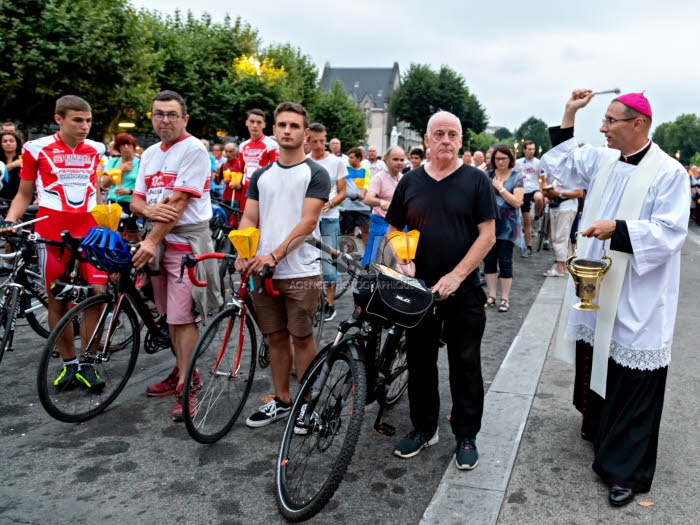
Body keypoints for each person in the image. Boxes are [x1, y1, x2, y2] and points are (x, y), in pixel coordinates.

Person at [541, 89, 689, 506]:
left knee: (634, 374)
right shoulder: (605, 159)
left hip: (640, 292)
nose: (602, 129)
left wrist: (618, 230)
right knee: (599, 356)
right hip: (599, 284)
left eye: (610, 121)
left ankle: (626, 471)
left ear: (637, 124)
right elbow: (566, 161)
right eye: (602, 121)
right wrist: (569, 110)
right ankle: (599, 429)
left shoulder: (669, 173)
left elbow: (670, 232)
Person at [385, 111, 497, 470]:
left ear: (461, 141)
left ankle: (466, 434)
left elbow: (488, 235)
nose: (446, 140)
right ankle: (424, 427)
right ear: (427, 141)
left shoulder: (476, 180)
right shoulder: (410, 181)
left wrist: (457, 276)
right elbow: (392, 228)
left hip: (464, 290)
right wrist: (403, 257)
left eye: (453, 134)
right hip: (419, 290)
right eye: (439, 134)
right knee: (419, 362)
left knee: (465, 364)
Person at [0, 95, 108, 390]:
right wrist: (10, 220)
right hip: (52, 232)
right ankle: (69, 364)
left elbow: (95, 191)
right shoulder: (36, 148)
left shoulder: (97, 149)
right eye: (77, 120)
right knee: (57, 299)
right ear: (59, 119)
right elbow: (23, 194)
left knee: (96, 296)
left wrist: (107, 224)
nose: (85, 126)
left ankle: (88, 363)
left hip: (90, 230)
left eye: (88, 120)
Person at [235, 101, 330, 427]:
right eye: (282, 125)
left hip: (301, 270)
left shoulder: (316, 173)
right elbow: (249, 216)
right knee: (274, 337)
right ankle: (282, 399)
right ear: (274, 130)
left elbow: (307, 222)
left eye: (294, 126)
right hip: (262, 268)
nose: (287, 130)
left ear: (305, 132)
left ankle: (306, 403)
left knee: (302, 337)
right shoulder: (261, 174)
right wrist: (243, 248)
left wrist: (274, 255)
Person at [131, 90, 222, 422]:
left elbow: (179, 205)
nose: (164, 120)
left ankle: (187, 384)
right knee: (169, 316)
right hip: (159, 240)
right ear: (151, 117)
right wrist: (150, 213)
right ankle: (183, 370)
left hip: (185, 243)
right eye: (158, 114)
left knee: (184, 318)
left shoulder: (195, 150)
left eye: (172, 114)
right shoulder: (151, 153)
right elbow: (136, 202)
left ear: (185, 118)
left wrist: (152, 238)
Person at [307, 122, 346, 321]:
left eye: (322, 141)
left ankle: (330, 303)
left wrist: (330, 203)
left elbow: (343, 192)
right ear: (308, 140)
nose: (319, 145)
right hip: (309, 219)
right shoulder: (304, 161)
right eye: (315, 141)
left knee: (330, 262)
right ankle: (318, 300)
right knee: (310, 261)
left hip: (329, 219)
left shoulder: (336, 162)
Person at [482, 144, 524, 312]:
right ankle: (491, 295)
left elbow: (517, 202)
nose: (500, 162)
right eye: (497, 158)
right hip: (489, 224)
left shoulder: (517, 176)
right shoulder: (487, 175)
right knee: (489, 260)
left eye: (503, 159)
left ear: (510, 159)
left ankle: (505, 298)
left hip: (508, 226)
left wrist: (501, 188)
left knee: (505, 261)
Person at [362, 146, 405, 266]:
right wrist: (381, 202)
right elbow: (367, 199)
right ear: (386, 159)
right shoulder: (379, 178)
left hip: (400, 227)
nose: (399, 163)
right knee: (379, 264)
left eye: (402, 160)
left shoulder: (404, 179)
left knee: (399, 265)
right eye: (395, 159)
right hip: (382, 226)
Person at [540, 167, 584, 277]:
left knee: (561, 236)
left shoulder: (574, 173)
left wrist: (559, 194)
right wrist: (547, 193)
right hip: (555, 206)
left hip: (567, 206)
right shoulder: (555, 173)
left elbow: (579, 193)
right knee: (555, 237)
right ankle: (562, 265)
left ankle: (560, 267)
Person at [100, 133, 140, 242]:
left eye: (129, 144)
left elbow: (146, 186)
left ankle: (133, 257)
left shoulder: (141, 162)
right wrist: (119, 170)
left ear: (133, 146)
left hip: (132, 203)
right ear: (118, 148)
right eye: (123, 145)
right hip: (113, 202)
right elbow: (104, 184)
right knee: (114, 235)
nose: (126, 147)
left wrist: (129, 191)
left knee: (133, 235)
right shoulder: (113, 162)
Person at [239, 109, 279, 214]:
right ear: (246, 122)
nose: (255, 125)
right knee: (245, 223)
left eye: (259, 122)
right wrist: (236, 182)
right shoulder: (242, 146)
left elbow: (276, 171)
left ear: (264, 125)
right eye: (252, 121)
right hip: (245, 192)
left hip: (263, 192)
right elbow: (241, 170)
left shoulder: (272, 145)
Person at [515, 140, 544, 257]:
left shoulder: (538, 162)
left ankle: (537, 215)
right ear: (524, 150)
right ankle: (529, 245)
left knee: (538, 197)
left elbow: (543, 179)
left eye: (533, 149)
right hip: (523, 191)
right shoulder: (518, 163)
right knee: (526, 220)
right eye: (529, 149)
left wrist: (542, 191)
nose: (532, 151)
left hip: (534, 188)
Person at [340, 147, 371, 245]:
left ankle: (366, 256)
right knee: (349, 232)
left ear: (359, 158)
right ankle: (351, 256)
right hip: (348, 205)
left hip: (362, 206)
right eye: (349, 157)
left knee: (365, 230)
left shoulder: (365, 170)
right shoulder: (345, 169)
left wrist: (363, 192)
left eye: (351, 157)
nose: (349, 159)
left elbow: (367, 182)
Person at [214, 142, 246, 211]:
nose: (228, 154)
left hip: (238, 198)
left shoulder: (241, 164)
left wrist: (240, 185)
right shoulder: (224, 164)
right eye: (226, 152)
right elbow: (217, 182)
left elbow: (247, 182)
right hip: (225, 197)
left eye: (230, 152)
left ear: (236, 152)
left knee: (235, 220)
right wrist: (216, 175)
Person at [0, 130, 22, 202]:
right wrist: (13, 164)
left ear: (17, 143)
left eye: (11, 141)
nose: (8, 143)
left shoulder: (23, 157)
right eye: (5, 141)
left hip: (20, 199)